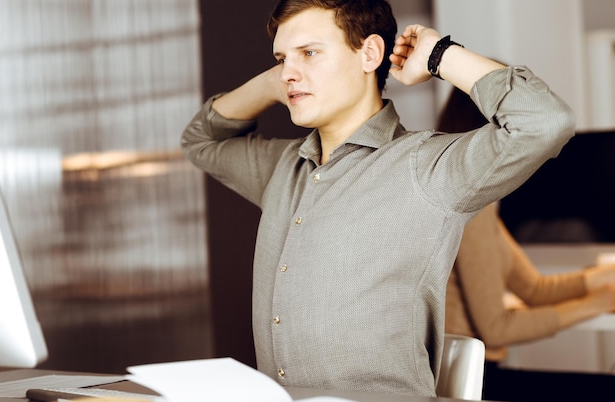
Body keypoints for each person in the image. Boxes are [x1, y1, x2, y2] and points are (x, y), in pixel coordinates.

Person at [180, 0, 575, 396]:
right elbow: (200, 140)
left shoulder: (426, 167)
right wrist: (277, 81)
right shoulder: (281, 168)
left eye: (310, 52)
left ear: (369, 53)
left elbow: (543, 121)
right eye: (282, 58)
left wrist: (439, 54)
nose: (289, 72)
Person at [440, 89, 615, 401]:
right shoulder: (471, 208)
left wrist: (599, 280)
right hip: (469, 383)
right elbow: (496, 329)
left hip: (478, 373)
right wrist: (596, 304)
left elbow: (534, 289)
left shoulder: (479, 200)